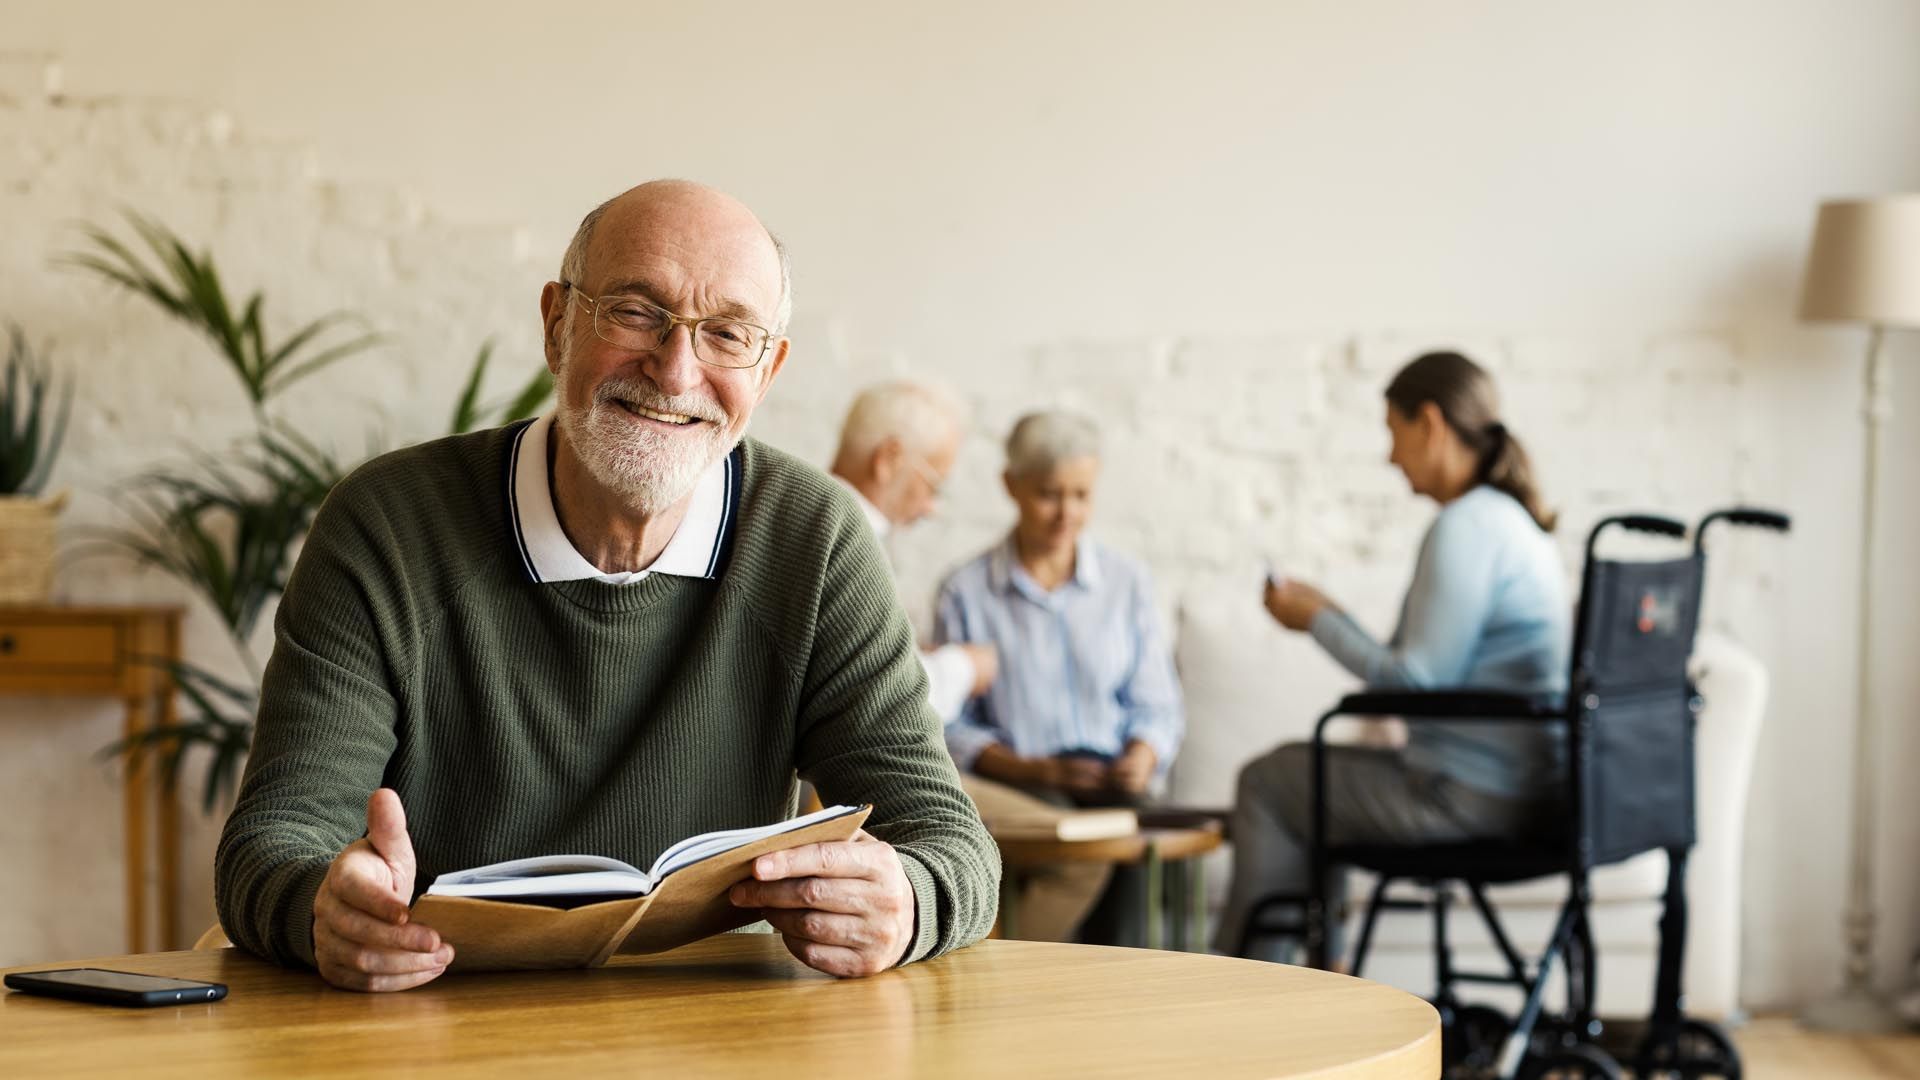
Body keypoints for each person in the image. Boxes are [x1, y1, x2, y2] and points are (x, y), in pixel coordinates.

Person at [214, 180, 999, 992]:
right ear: (557, 325)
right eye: (634, 311)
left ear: (767, 372)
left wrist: (907, 900)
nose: (674, 369)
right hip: (435, 1020)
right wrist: (324, 909)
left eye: (728, 334)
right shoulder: (388, 526)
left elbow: (951, 842)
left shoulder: (814, 538)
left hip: (718, 1029)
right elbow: (271, 845)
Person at [1216, 350, 1571, 958]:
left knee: (1270, 782)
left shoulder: (1467, 526)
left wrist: (1316, 622)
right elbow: (1426, 669)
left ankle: (1241, 998)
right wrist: (1333, 616)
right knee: (1307, 781)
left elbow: (1417, 681)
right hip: (1526, 792)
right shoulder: (1510, 522)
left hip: (1466, 800)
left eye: (1393, 432)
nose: (1389, 455)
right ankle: (1314, 987)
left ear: (1429, 423)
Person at [933, 410, 1184, 941]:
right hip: (1023, 786)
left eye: (1082, 495)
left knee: (1143, 847)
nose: (1066, 513)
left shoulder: (1127, 582)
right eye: (1049, 494)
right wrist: (1037, 770)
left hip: (1113, 780)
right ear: (1011, 486)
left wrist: (1144, 753)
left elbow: (1157, 704)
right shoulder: (966, 591)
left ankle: (1129, 997)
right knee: (1083, 848)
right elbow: (947, 728)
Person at [828, 382, 998, 721]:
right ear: (888, 460)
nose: (932, 507)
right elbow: (886, 698)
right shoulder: (846, 544)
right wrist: (965, 668)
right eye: (934, 485)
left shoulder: (809, 518)